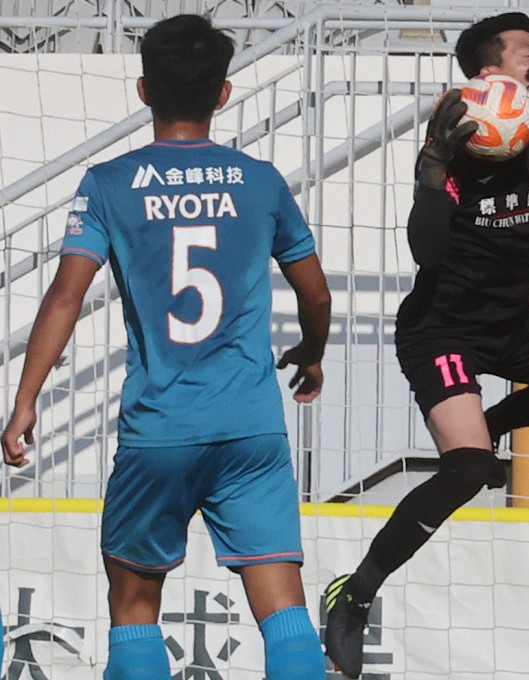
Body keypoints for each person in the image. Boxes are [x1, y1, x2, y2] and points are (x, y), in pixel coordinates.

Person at [0, 15, 331, 680]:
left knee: (134, 608)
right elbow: (316, 294)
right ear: (225, 93)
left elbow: (65, 296)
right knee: (285, 614)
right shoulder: (261, 181)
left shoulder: (108, 184)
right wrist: (312, 350)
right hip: (250, 428)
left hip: (160, 428)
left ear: (144, 89)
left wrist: (26, 400)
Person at [321, 11, 529, 679]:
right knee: (468, 471)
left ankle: (493, 422)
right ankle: (354, 597)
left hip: (511, 320)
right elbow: (428, 254)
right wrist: (432, 166)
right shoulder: (461, 135)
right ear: (491, 71)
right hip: (443, 327)